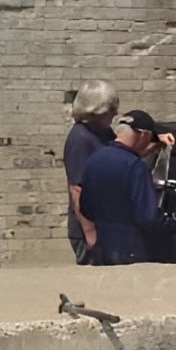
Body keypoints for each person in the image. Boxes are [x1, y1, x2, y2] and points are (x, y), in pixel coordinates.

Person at [78, 110, 176, 265]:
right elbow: (147, 218)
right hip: (131, 249)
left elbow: (85, 207)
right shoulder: (135, 167)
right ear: (143, 135)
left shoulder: (94, 159)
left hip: (102, 246)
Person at [62, 81, 118, 264]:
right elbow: (76, 189)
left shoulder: (103, 132)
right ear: (96, 111)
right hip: (91, 226)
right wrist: (90, 232)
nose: (115, 113)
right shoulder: (81, 139)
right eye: (111, 109)